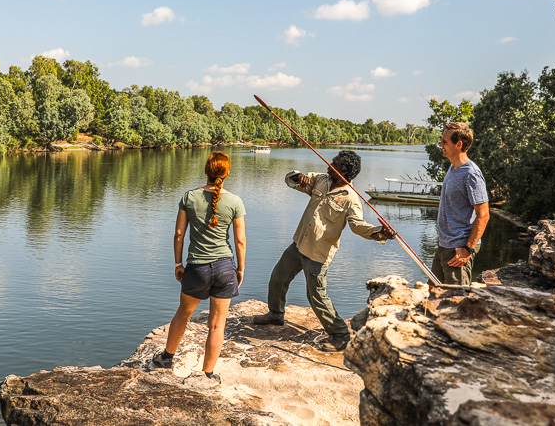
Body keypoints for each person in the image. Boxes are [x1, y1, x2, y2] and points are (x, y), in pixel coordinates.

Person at [253, 150, 393, 352]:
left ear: (343, 170)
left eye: (333, 162)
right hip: (299, 243)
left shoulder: (351, 198)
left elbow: (357, 225)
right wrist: (296, 176)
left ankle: (340, 334)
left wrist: (380, 232)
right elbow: (292, 179)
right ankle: (276, 314)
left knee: (316, 295)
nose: (329, 163)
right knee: (278, 277)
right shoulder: (321, 179)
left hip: (318, 253)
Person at [151, 151, 246, 383]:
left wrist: (177, 263)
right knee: (216, 324)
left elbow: (179, 234)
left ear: (206, 170)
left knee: (183, 314)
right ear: (227, 172)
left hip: (197, 268)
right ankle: (208, 374)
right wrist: (240, 269)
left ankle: (166, 358)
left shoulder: (189, 197)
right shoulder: (235, 201)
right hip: (225, 269)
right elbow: (240, 241)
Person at [432, 122, 489, 285]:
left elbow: (483, 215)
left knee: (455, 301)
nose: (440, 144)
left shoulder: (471, 174)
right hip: (445, 244)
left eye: (444, 142)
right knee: (432, 291)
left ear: (459, 145)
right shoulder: (453, 167)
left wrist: (468, 249)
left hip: (458, 248)